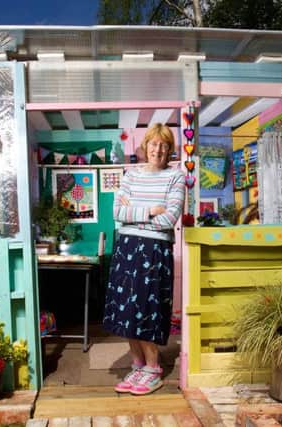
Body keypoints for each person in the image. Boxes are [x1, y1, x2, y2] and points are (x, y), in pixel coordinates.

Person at [103, 123, 185, 395]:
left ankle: (153, 368)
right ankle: (137, 364)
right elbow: (117, 212)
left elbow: (169, 218)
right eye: (153, 143)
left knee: (147, 308)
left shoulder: (176, 177)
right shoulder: (130, 175)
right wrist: (150, 209)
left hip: (155, 250)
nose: (157, 149)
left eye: (163, 145)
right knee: (125, 308)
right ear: (145, 146)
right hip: (126, 246)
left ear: (169, 150)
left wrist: (135, 212)